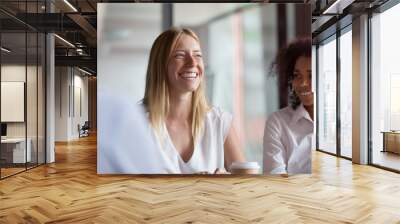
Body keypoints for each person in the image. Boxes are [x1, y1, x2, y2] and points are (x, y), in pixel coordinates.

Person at [142, 27, 246, 174]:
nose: (192, 63)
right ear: (160, 65)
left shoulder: (219, 121)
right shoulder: (135, 121)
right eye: (179, 55)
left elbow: (248, 182)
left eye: (198, 55)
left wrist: (226, 181)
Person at [263, 38, 313, 175]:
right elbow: (274, 176)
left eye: (311, 75)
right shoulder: (278, 122)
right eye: (297, 75)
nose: (303, 83)